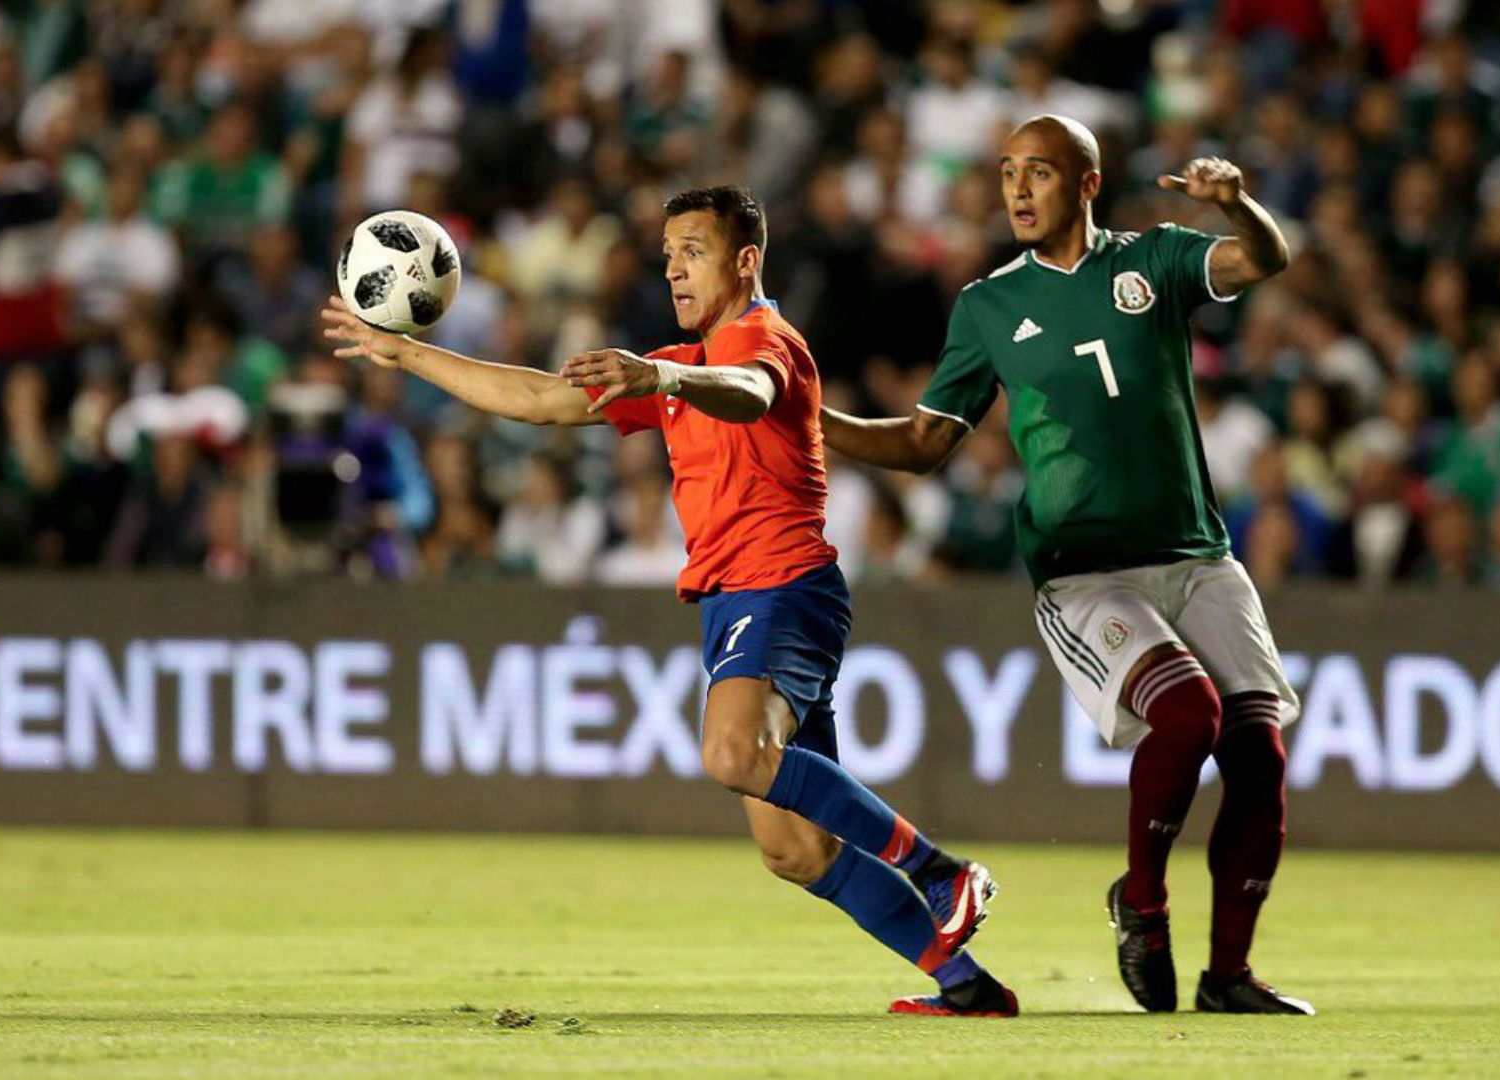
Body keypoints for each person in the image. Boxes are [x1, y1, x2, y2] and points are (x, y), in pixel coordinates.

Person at [322, 185, 1015, 1017]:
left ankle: (940, 873)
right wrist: (406, 355)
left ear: (745, 260)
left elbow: (752, 391)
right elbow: (540, 400)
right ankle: (966, 984)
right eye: (667, 256)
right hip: (736, 598)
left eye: (693, 252)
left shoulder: (763, 341)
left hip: (782, 585)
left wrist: (661, 374)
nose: (675, 270)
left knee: (730, 753)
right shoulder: (686, 367)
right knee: (794, 848)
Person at [821, 116, 1311, 1015]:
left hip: (1197, 556)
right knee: (1189, 714)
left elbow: (1263, 260)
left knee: (1260, 757)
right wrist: (809, 421)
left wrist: (1237, 204)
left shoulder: (1155, 260)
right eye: (1008, 171)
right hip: (1086, 572)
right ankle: (1143, 902)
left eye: (1038, 171)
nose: (1016, 188)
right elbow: (926, 442)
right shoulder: (988, 305)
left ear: (1086, 182)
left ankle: (1229, 976)